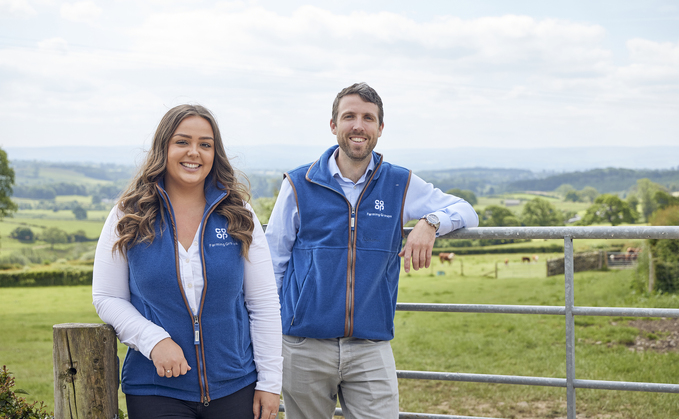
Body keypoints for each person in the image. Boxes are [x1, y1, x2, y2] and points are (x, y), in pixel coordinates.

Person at [265, 83, 479, 419]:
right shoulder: (298, 183)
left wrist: (431, 221)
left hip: (370, 347)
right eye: (349, 116)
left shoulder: (399, 182)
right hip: (303, 346)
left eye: (368, 118)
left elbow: (466, 210)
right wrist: (273, 337)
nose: (358, 125)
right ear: (333, 125)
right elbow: (273, 263)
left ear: (380, 128)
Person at [92, 104, 282, 419]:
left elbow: (263, 303)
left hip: (235, 387)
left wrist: (270, 382)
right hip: (155, 389)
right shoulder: (128, 215)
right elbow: (107, 297)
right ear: (163, 148)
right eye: (182, 142)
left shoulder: (239, 215)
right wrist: (153, 340)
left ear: (214, 153)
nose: (194, 152)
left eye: (205, 144)